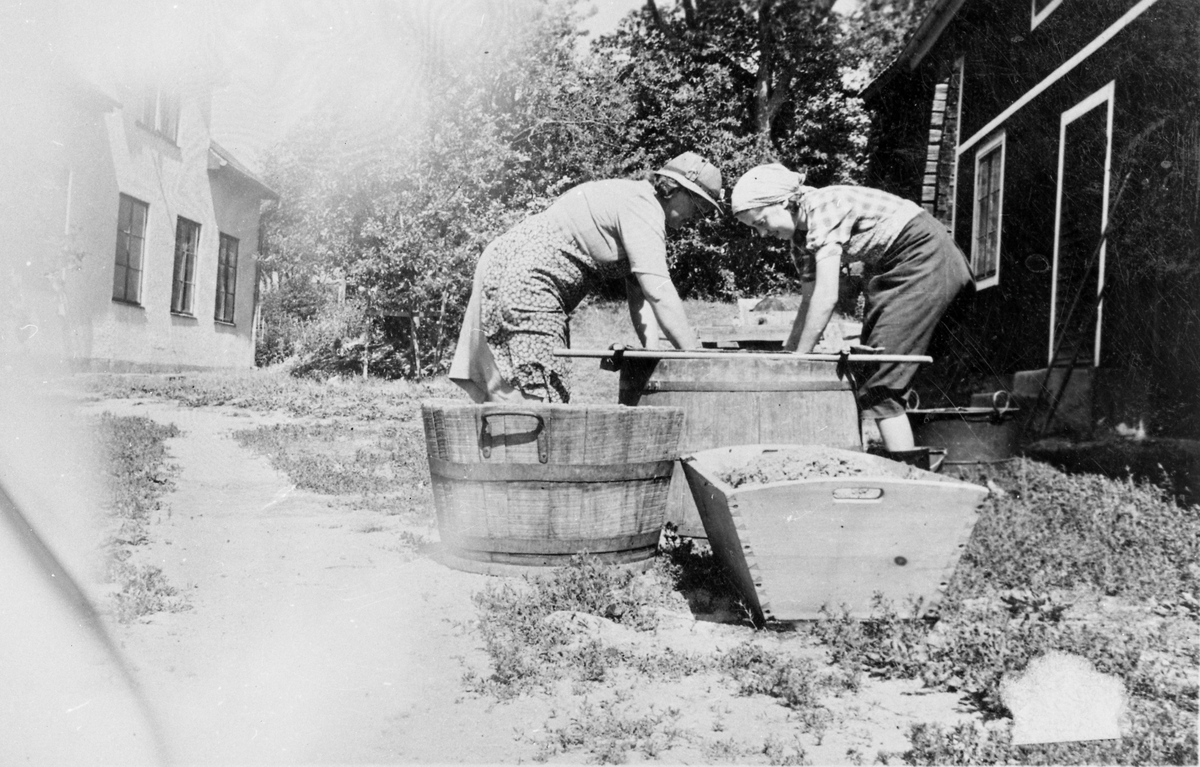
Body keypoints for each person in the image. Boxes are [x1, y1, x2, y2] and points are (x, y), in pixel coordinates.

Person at [730, 164, 972, 453]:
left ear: (785, 203)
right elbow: (809, 301)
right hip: (897, 268)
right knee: (872, 368)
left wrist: (800, 360)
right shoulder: (800, 240)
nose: (761, 233)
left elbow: (826, 296)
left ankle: (906, 478)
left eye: (761, 222)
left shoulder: (823, 206)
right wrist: (790, 354)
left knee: (881, 381)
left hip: (926, 258)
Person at [450, 152, 724, 403]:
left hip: (505, 263)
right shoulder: (644, 208)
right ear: (676, 190)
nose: (698, 220)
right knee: (542, 395)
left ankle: (507, 452)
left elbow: (641, 295)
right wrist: (695, 357)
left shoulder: (634, 199)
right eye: (700, 209)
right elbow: (660, 292)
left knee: (508, 391)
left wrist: (651, 351)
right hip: (529, 280)